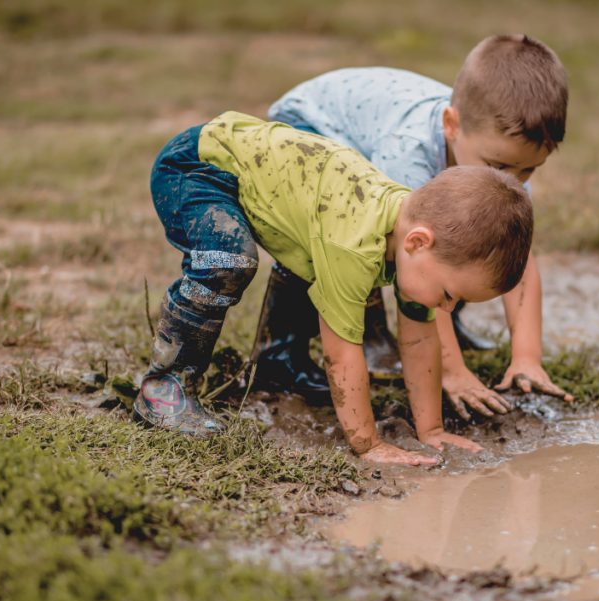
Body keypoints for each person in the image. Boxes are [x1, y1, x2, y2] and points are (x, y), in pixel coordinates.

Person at [135, 112, 533, 465]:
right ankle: (163, 387)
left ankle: (278, 365)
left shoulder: (412, 240)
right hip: (199, 166)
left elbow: (418, 340)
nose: (447, 308)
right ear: (417, 242)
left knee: (312, 261)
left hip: (260, 181)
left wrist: (430, 432)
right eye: (450, 294)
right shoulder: (354, 245)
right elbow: (341, 354)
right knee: (229, 259)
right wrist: (368, 444)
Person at [262, 34, 573, 418]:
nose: (515, 179)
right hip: (312, 128)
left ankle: (447, 330)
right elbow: (421, 258)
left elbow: (517, 258)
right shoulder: (408, 152)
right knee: (359, 239)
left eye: (529, 169)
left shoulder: (498, 156)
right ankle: (312, 348)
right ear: (452, 126)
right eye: (500, 167)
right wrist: (452, 373)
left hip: (366, 130)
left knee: (470, 244)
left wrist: (527, 357)